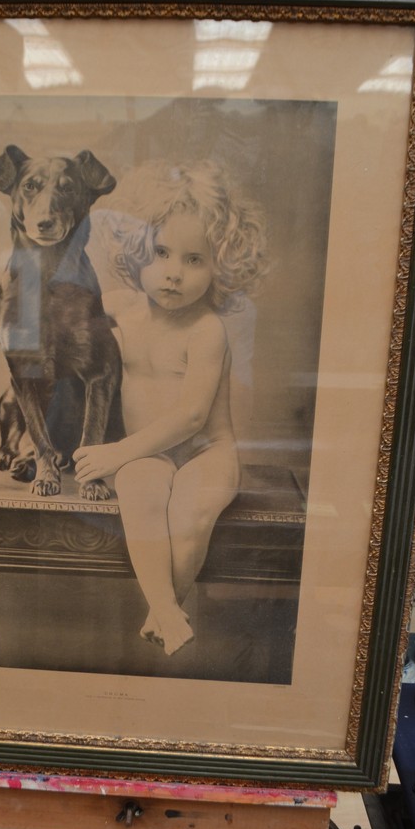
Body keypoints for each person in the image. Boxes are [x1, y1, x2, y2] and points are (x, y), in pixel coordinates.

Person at [74, 160, 268, 656]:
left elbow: (191, 418)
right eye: (160, 252)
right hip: (149, 455)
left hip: (207, 451)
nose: (173, 273)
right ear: (137, 250)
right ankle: (168, 615)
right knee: (140, 495)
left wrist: (115, 453)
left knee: (190, 515)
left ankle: (161, 611)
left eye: (194, 259)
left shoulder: (208, 329)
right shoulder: (121, 308)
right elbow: (59, 313)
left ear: (221, 264)